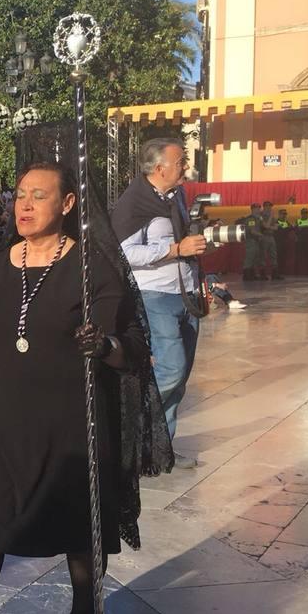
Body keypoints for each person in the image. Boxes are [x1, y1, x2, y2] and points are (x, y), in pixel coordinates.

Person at [0, 162, 170, 614]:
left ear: (67, 206)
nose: (25, 205)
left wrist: (102, 345)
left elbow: (130, 344)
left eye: (39, 196)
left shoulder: (93, 268)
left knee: (78, 533)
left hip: (71, 427)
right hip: (2, 422)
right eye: (20, 195)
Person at [113, 138, 204, 468]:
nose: (186, 167)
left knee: (180, 380)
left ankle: (159, 450)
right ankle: (131, 435)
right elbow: (122, 253)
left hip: (184, 294)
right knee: (170, 371)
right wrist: (174, 250)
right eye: (181, 161)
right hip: (154, 296)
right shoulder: (133, 203)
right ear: (158, 168)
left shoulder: (177, 196)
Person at [238, 204, 265, 281]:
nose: (259, 210)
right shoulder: (251, 220)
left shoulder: (258, 219)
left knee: (255, 258)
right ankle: (247, 276)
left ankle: (252, 274)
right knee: (249, 258)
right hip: (251, 241)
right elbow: (252, 231)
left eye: (259, 209)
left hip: (256, 241)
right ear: (253, 209)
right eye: (257, 209)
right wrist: (261, 235)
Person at [295, 208, 308, 274]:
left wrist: (302, 227)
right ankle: (297, 271)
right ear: (301, 214)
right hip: (300, 240)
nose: (305, 214)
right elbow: (296, 229)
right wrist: (305, 227)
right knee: (299, 257)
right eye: (303, 213)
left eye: (306, 212)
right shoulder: (298, 220)